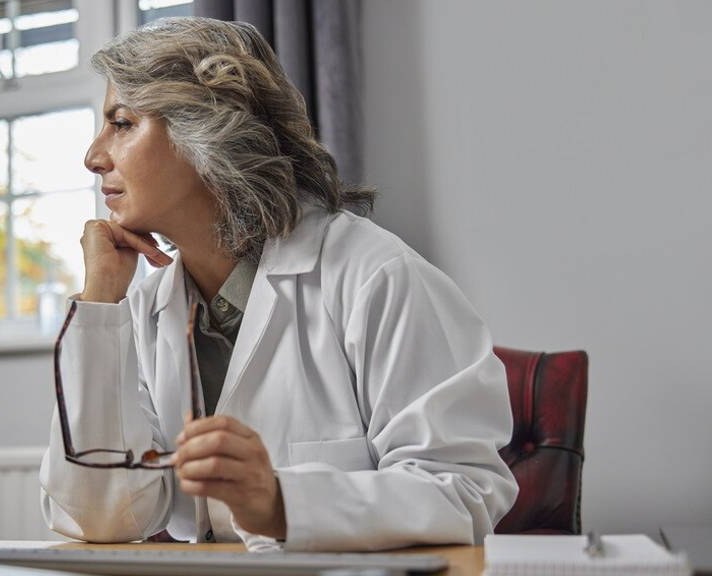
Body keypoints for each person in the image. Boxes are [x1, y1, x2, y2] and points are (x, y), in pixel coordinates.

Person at [39, 17, 518, 552]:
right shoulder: (149, 304)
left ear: (208, 130)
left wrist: (281, 502)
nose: (93, 156)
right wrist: (100, 306)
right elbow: (102, 517)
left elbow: (466, 492)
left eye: (122, 123)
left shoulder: (374, 277)